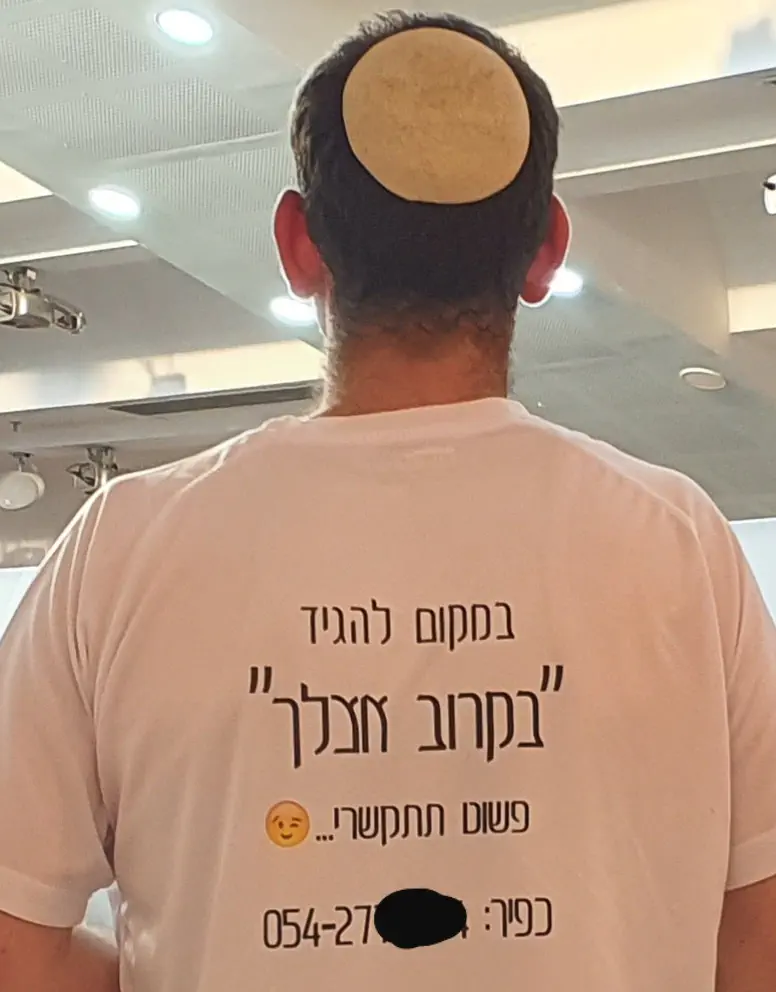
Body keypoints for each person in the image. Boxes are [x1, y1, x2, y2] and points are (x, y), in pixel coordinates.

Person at [0, 10, 775, 992]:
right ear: (546, 249)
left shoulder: (122, 549)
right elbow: (758, 934)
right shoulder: (676, 542)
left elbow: (13, 940)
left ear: (296, 245)